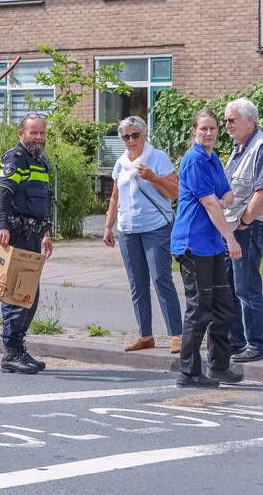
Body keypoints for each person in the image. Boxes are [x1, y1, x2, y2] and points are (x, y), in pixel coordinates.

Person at [170, 108, 245, 388]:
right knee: (199, 308)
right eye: (203, 129)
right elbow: (212, 203)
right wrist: (231, 239)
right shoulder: (194, 160)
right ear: (194, 131)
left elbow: (228, 194)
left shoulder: (213, 159)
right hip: (193, 243)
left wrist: (222, 199)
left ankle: (219, 366)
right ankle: (188, 371)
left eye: (212, 128)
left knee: (223, 306)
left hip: (211, 244)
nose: (209, 133)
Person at [103, 116, 184, 354]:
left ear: (144, 135)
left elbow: (175, 192)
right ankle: (145, 335)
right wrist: (108, 226)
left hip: (156, 227)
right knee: (137, 284)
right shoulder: (120, 163)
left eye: (134, 135)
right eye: (125, 136)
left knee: (161, 278)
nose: (130, 140)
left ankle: (176, 334)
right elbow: (115, 197)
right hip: (128, 230)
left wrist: (153, 177)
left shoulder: (158, 158)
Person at [0, 113, 55, 374]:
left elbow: (44, 202)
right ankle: (10, 353)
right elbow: (2, 193)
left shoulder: (41, 162)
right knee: (15, 294)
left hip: (33, 235)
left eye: (41, 133)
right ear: (21, 134)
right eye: (33, 133)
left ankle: (18, 348)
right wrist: (1, 226)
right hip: (16, 235)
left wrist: (46, 233)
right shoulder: (15, 159)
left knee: (29, 295)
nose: (38, 138)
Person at [223, 97, 263, 363]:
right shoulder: (239, 147)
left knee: (246, 286)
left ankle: (257, 344)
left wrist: (244, 222)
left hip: (250, 226)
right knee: (231, 285)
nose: (227, 125)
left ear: (250, 120)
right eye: (225, 120)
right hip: (235, 228)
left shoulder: (261, 147)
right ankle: (237, 342)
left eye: (232, 120)